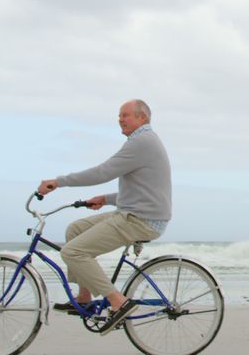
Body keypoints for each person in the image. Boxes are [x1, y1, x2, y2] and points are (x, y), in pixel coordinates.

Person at [37, 99, 172, 335]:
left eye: (126, 115)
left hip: (141, 219)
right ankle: (85, 297)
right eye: (119, 115)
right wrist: (107, 199)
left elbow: (103, 172)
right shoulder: (142, 141)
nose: (120, 119)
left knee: (72, 252)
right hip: (136, 212)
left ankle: (118, 302)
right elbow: (142, 191)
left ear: (142, 117)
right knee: (75, 229)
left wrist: (59, 182)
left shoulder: (142, 141)